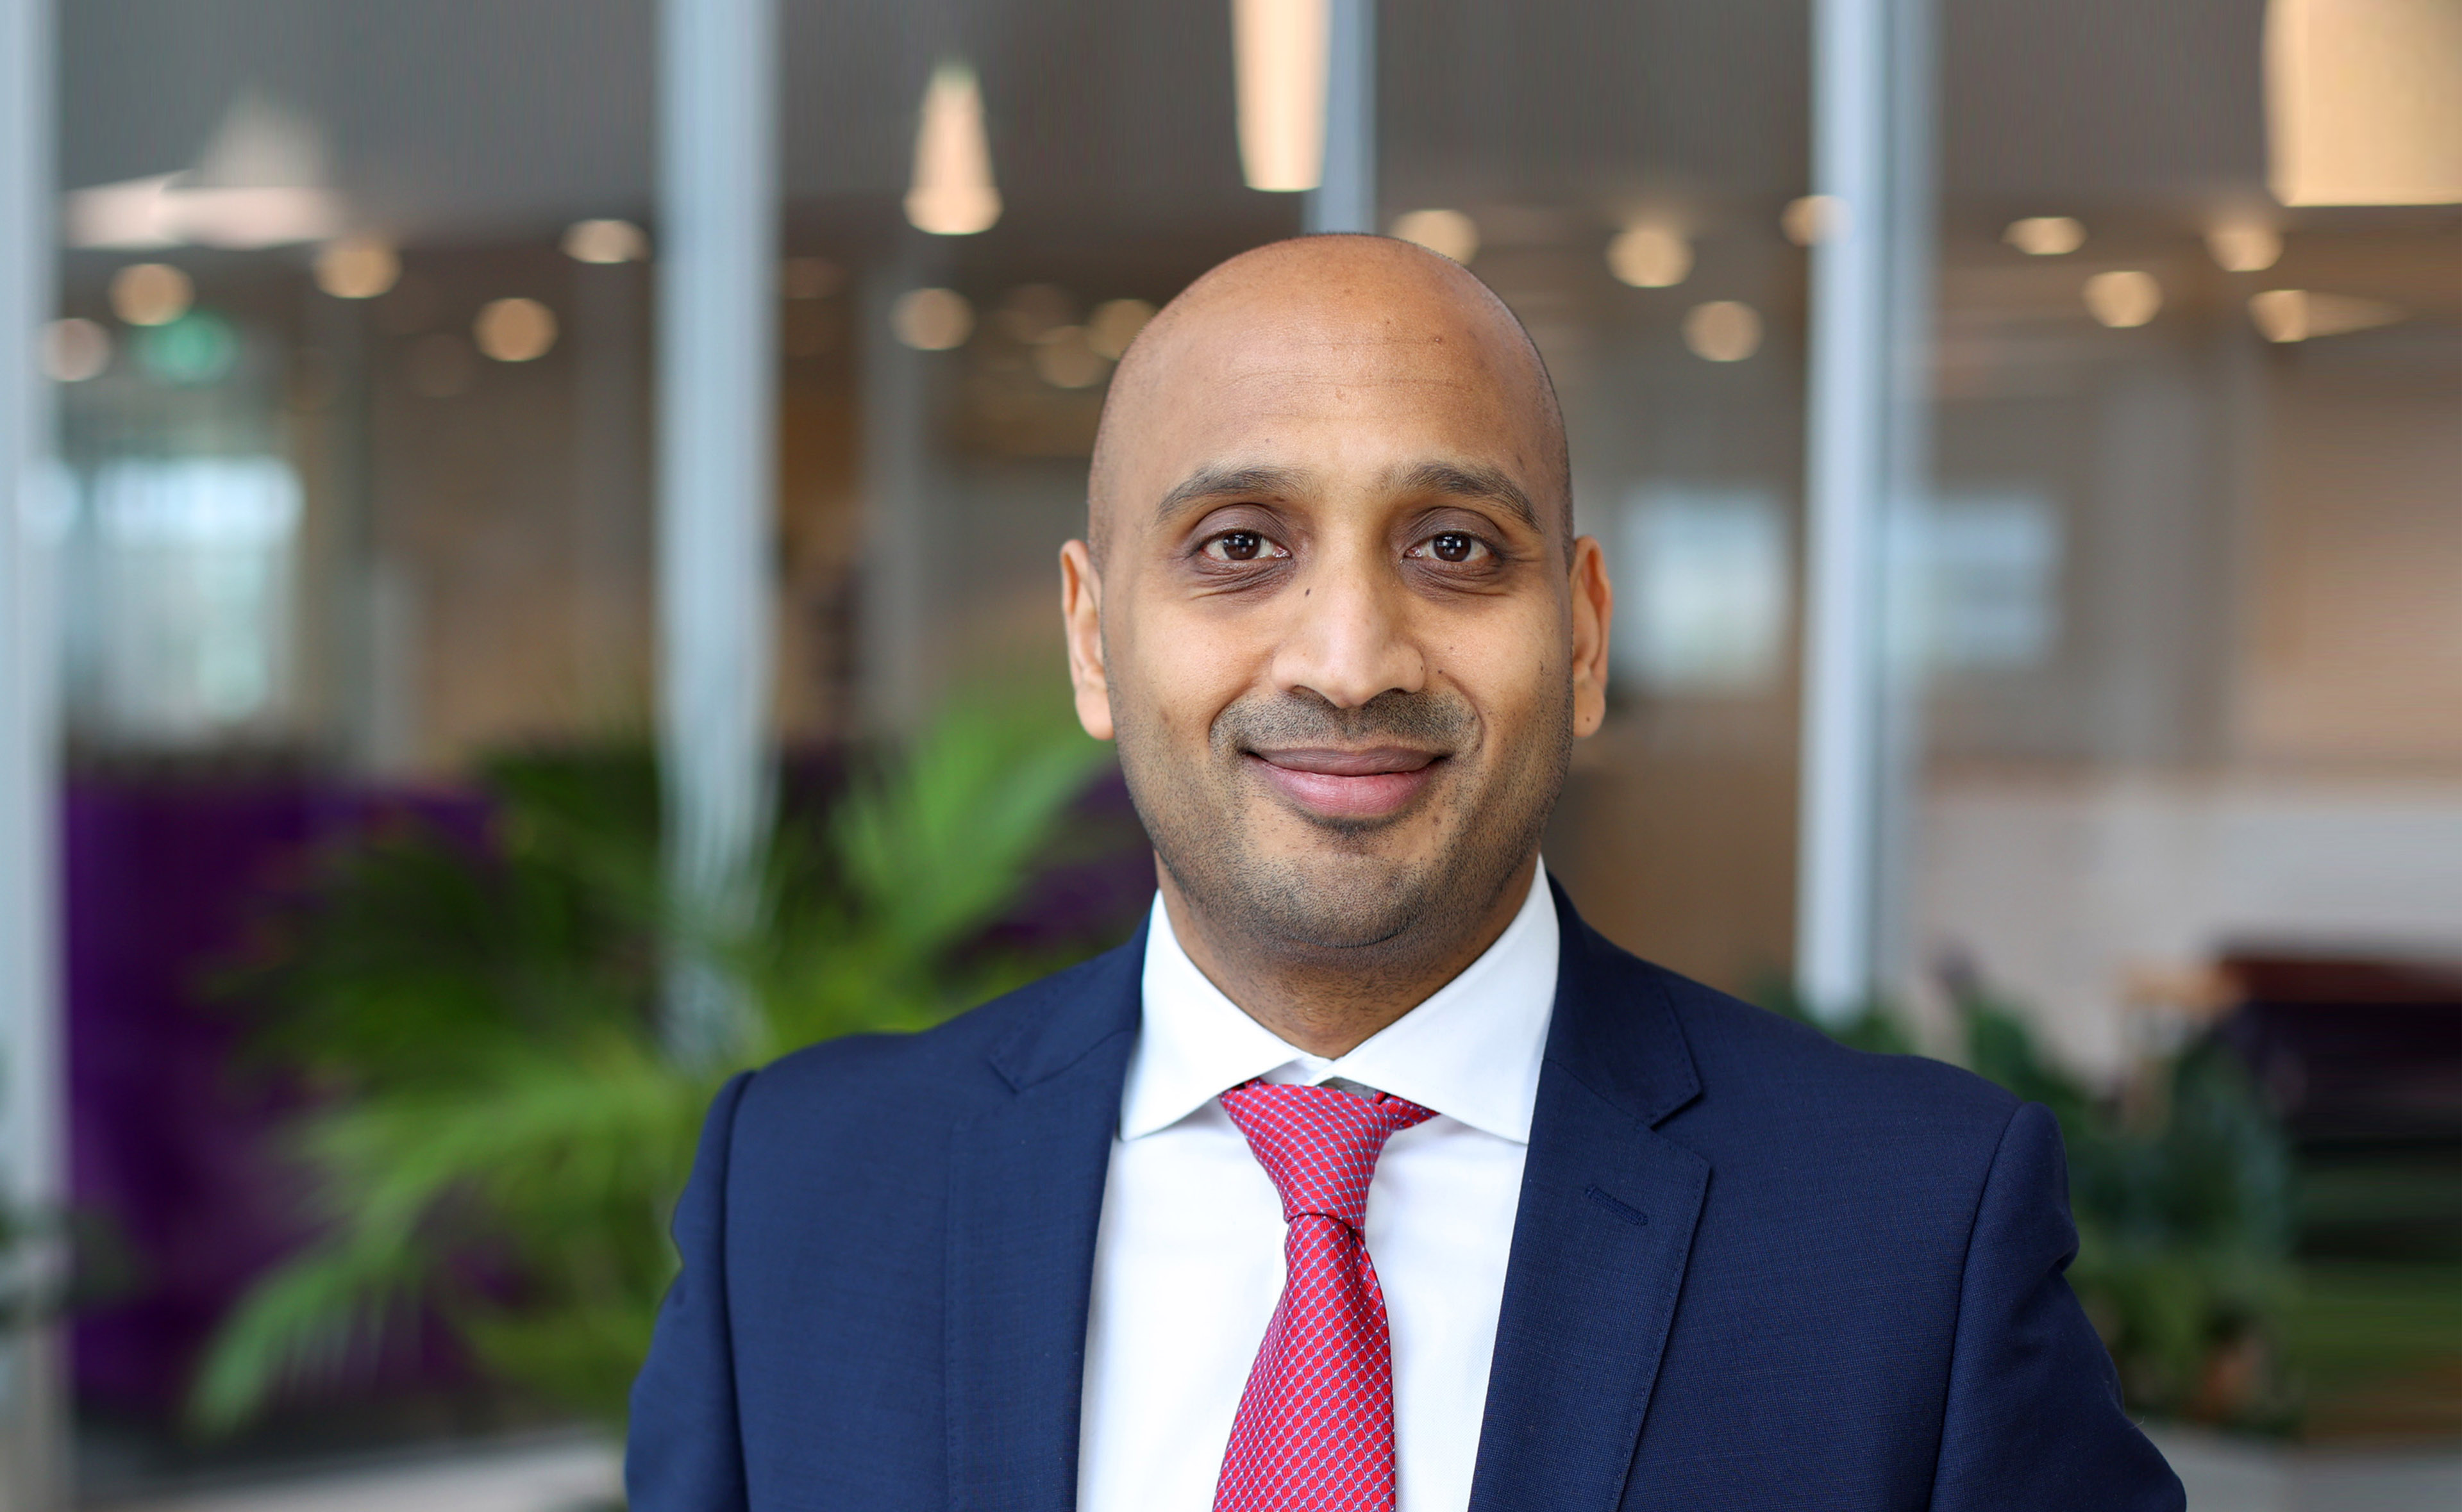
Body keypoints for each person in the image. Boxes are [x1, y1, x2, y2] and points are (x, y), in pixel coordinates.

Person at [626, 237, 2183, 1511]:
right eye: (1241, 544)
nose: (1353, 659)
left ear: (1579, 633)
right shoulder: (800, 1197)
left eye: (1453, 547)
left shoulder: (1912, 1235)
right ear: (1094, 636)